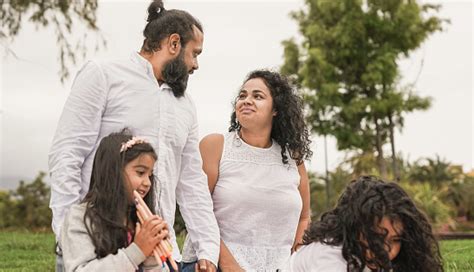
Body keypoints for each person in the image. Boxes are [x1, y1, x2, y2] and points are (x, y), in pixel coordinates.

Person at [49, 1, 219, 271]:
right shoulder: (103, 75)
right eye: (194, 54)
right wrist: (66, 231)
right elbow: (67, 154)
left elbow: (192, 181)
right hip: (98, 245)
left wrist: (207, 246)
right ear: (174, 44)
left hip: (160, 255)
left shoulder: (186, 104)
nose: (195, 65)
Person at [182, 70, 313, 271]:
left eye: (257, 96)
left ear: (276, 109)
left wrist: (295, 260)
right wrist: (227, 264)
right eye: (242, 96)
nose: (246, 100)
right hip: (213, 264)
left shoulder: (293, 157)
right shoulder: (215, 146)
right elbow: (198, 211)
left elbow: (304, 217)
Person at [60, 130, 168, 271]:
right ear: (114, 172)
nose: (148, 183)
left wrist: (152, 257)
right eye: (141, 172)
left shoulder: (138, 219)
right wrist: (138, 251)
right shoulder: (80, 217)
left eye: (150, 175)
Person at [287, 175, 443, 272]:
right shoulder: (330, 256)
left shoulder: (372, 258)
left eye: (395, 240)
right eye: (376, 238)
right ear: (354, 228)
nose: (386, 250)